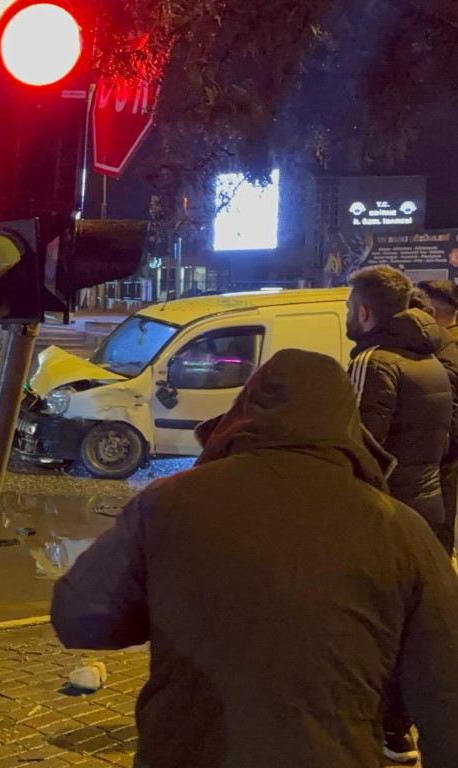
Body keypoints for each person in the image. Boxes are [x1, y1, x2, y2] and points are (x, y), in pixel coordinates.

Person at [51, 349, 458, 768]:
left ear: (242, 411)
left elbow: (80, 616)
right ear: (349, 426)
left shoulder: (171, 502)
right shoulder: (400, 530)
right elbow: (446, 689)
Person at [346, 266, 453, 761]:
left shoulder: (373, 360)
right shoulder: (432, 360)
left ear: (366, 312)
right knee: (414, 627)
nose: (347, 317)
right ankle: (396, 729)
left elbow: (357, 448)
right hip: (428, 511)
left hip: (382, 515)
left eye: (350, 308)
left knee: (370, 625)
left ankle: (372, 727)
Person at [413, 288, 458, 556]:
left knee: (439, 521)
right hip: (443, 448)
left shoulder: (442, 351)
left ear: (433, 313)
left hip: (443, 449)